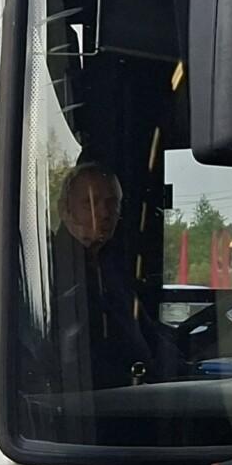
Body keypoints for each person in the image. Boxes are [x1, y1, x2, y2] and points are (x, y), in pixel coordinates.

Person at [49, 162, 167, 390]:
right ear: (65, 209)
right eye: (90, 203)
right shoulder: (55, 269)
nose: (104, 213)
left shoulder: (110, 266)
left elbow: (146, 333)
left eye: (111, 203)